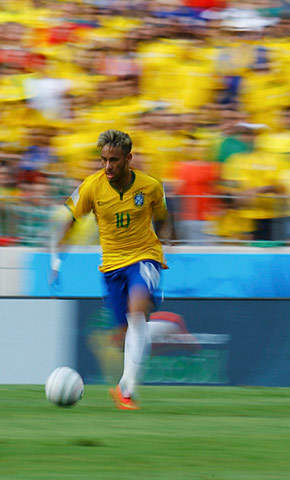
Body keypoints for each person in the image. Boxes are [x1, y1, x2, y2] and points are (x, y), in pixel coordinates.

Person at [51, 129, 170, 410]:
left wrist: (166, 245)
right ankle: (154, 338)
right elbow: (69, 221)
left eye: (114, 160)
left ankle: (126, 390)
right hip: (112, 266)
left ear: (129, 158)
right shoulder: (92, 186)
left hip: (144, 256)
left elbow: (163, 217)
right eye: (103, 159)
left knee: (137, 310)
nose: (108, 166)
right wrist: (56, 259)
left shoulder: (151, 186)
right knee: (125, 332)